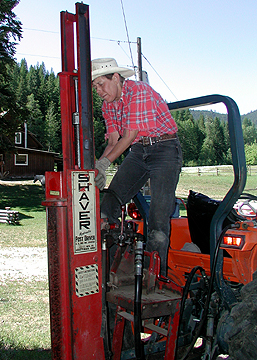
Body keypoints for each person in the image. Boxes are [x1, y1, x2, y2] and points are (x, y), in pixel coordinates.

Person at [92, 58, 182, 276]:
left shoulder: (139, 91)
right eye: (94, 87)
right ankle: (110, 271)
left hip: (165, 149)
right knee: (109, 203)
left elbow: (129, 134)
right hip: (138, 151)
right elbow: (114, 141)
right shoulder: (108, 105)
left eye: (100, 84)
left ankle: (154, 278)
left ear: (115, 77)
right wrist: (95, 170)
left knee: (158, 219)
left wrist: (104, 164)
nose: (98, 91)